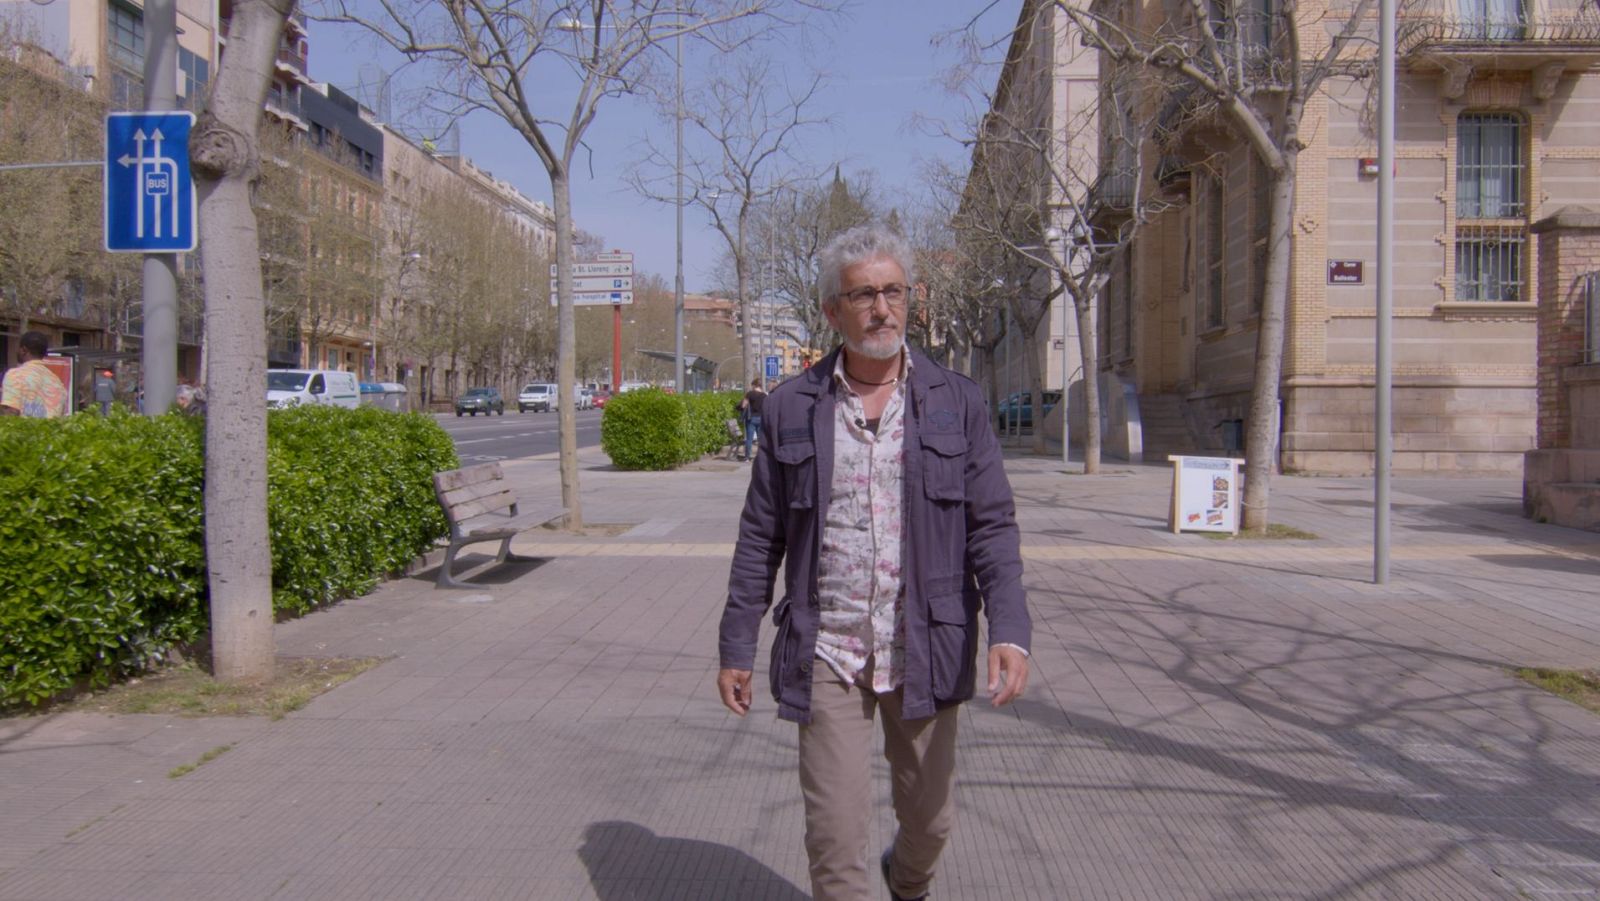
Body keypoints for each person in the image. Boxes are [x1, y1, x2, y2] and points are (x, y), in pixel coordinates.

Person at [717, 224, 1031, 901]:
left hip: (926, 642)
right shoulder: (791, 408)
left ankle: (907, 880)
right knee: (833, 838)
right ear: (833, 310)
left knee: (931, 820)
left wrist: (1009, 629)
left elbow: (993, 527)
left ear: (910, 299)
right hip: (827, 648)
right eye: (863, 295)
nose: (881, 308)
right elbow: (759, 535)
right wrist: (736, 641)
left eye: (892, 291)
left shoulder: (957, 400)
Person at [1, 331, 68, 418]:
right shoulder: (57, 382)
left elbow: (10, 412)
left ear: (24, 350)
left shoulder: (15, 375)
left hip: (23, 430)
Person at [737, 377, 766, 462]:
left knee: (749, 439)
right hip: (761, 418)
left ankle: (747, 457)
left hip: (751, 418)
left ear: (754, 385)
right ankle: (761, 457)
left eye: (752, 385)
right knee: (761, 439)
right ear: (760, 385)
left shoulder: (750, 394)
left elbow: (743, 405)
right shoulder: (764, 395)